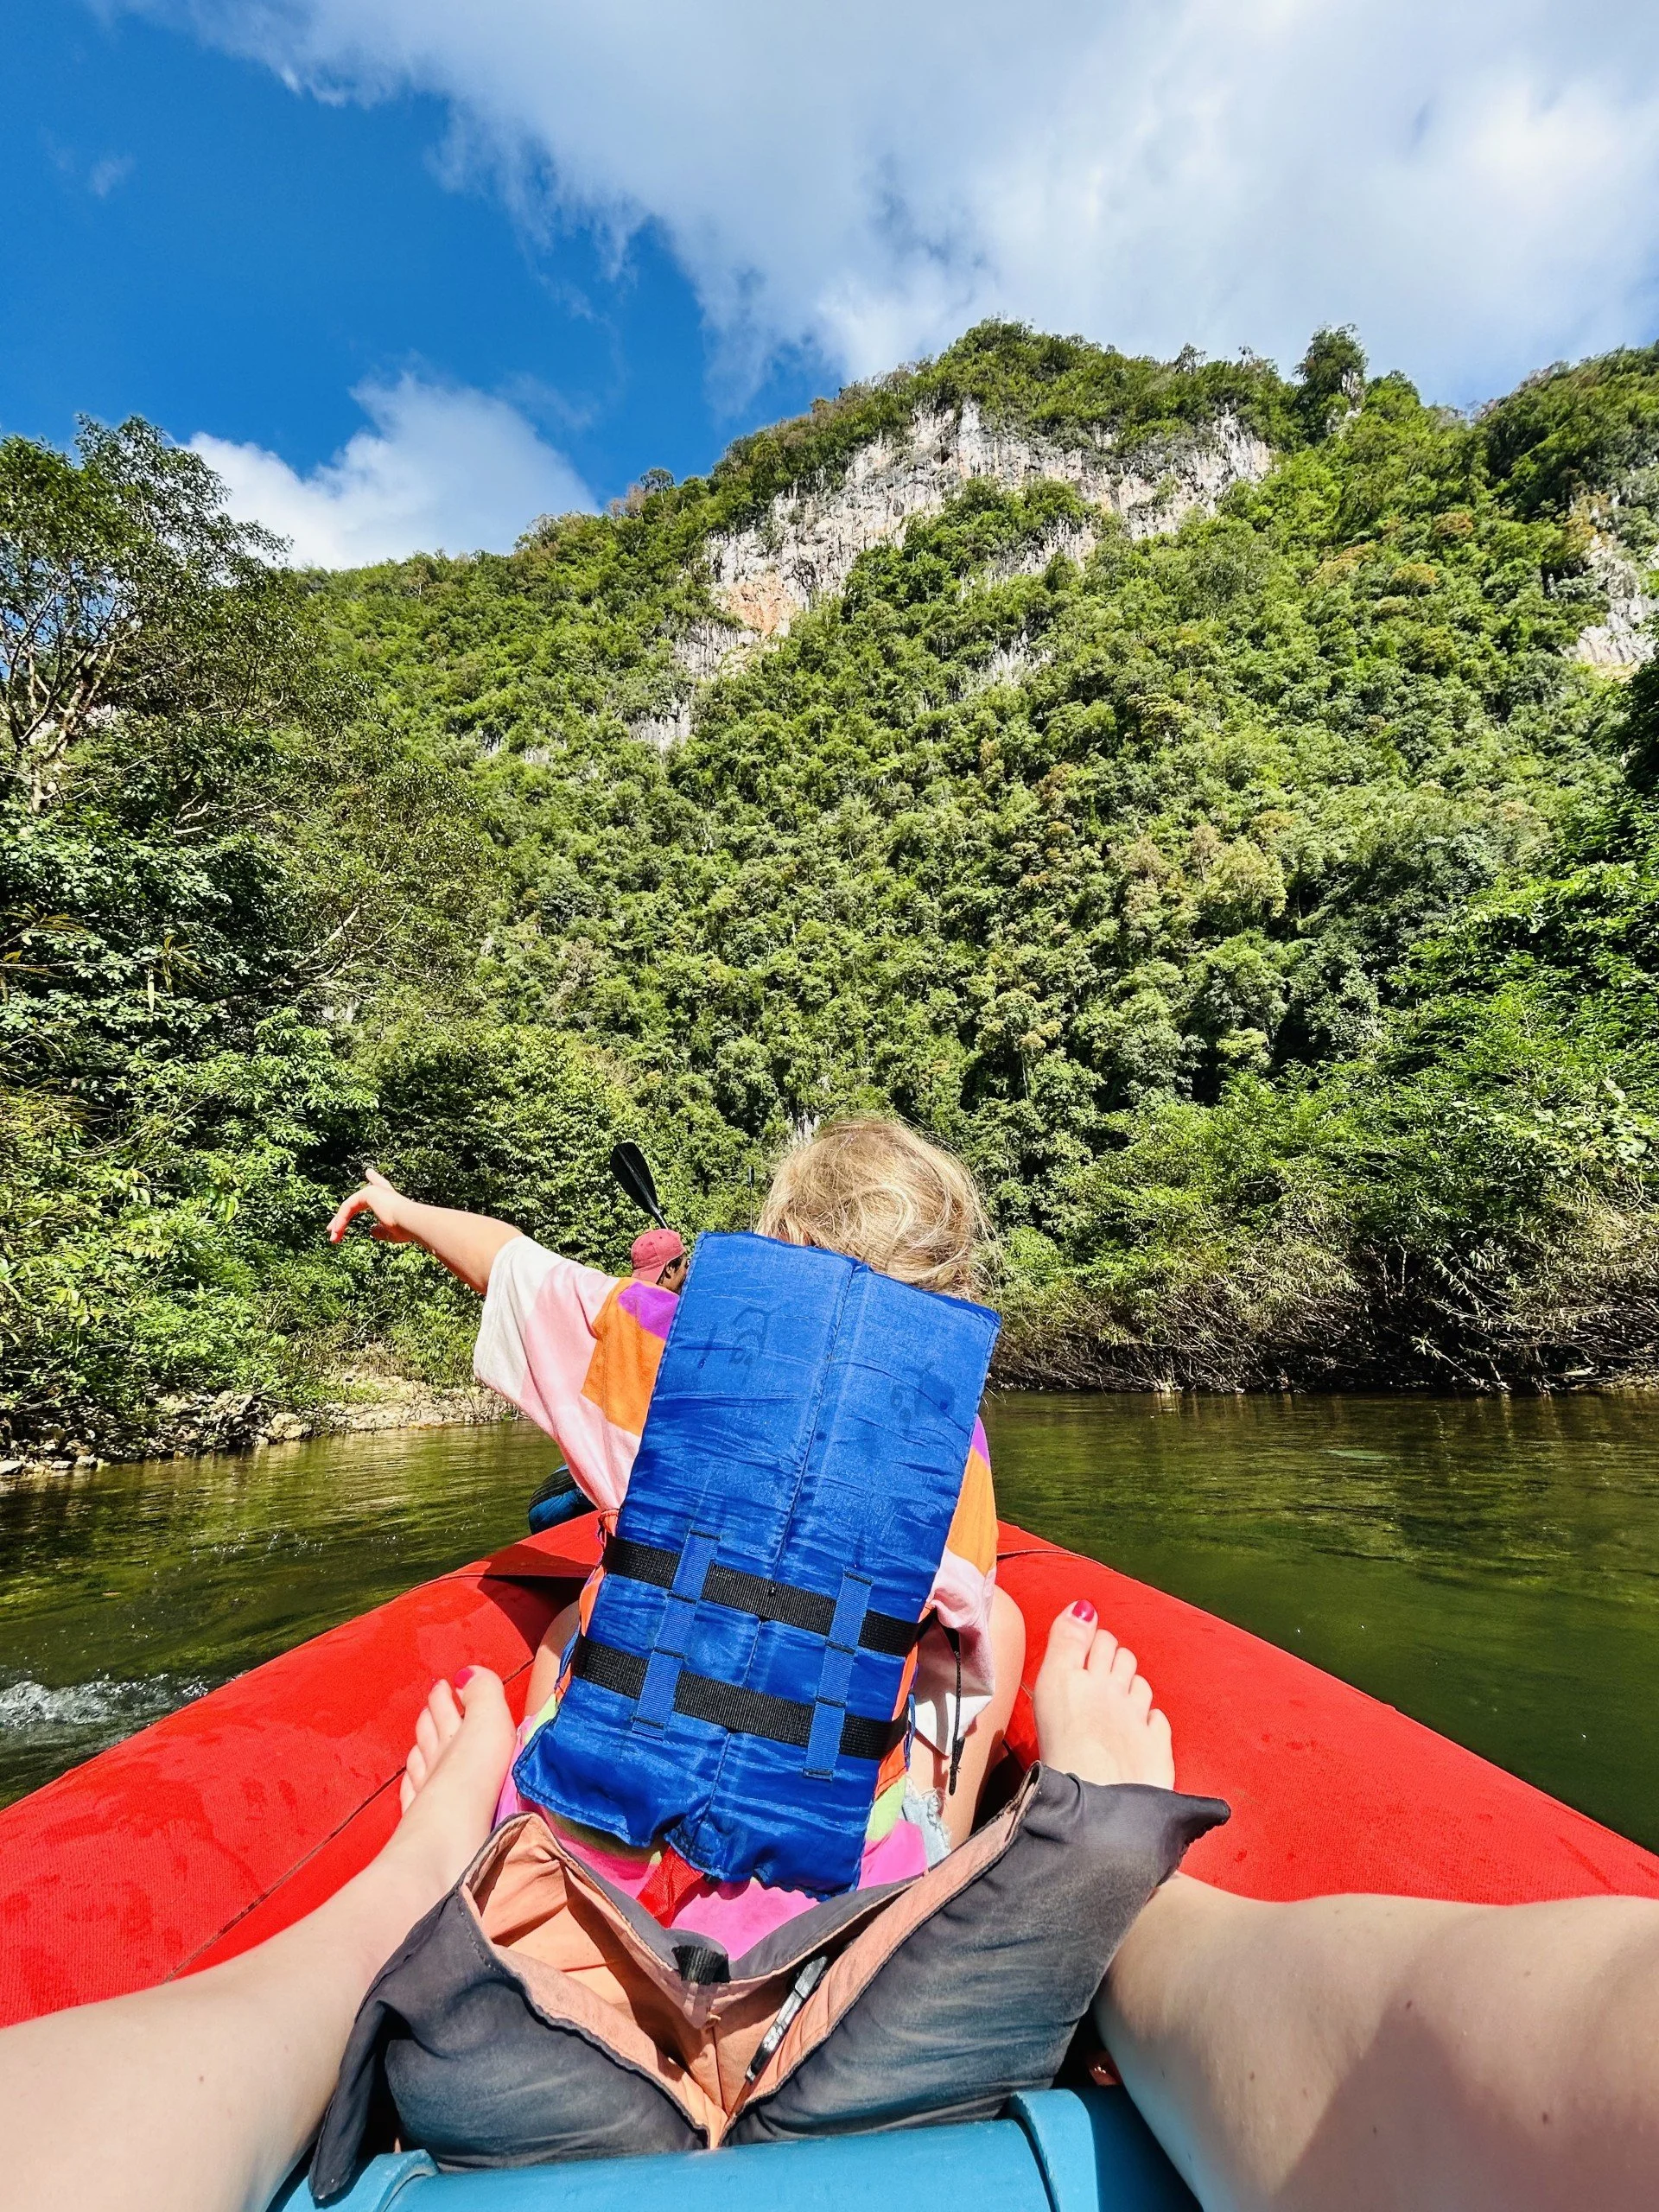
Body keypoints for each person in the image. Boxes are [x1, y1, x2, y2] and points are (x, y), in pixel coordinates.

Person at [4, 1616, 1657, 2212]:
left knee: (387, 1943)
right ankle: (1103, 1897)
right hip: (908, 2040)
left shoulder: (625, 1345)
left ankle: (422, 1881)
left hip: (512, 2069)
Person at [628, 1226, 687, 1293]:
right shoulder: (671, 1301)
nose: (687, 1272)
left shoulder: (630, 1297)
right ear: (670, 1267)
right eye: (685, 1265)